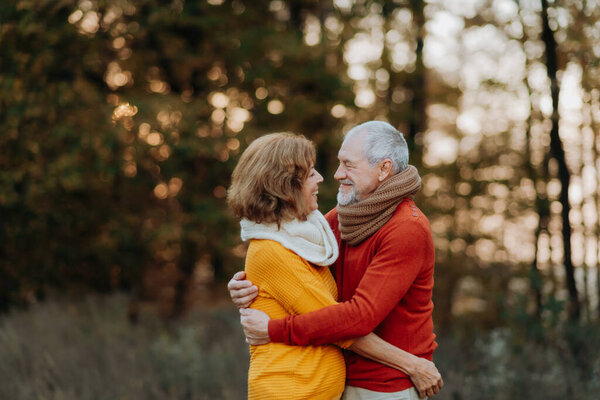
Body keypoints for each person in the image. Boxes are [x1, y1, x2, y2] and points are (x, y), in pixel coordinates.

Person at [229, 121, 441, 399]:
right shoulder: (340, 219)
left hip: (384, 385)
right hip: (333, 382)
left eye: (349, 164)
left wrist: (273, 329)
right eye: (339, 163)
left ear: (384, 168)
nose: (336, 174)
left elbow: (358, 317)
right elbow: (284, 265)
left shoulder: (405, 228)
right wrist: (247, 284)